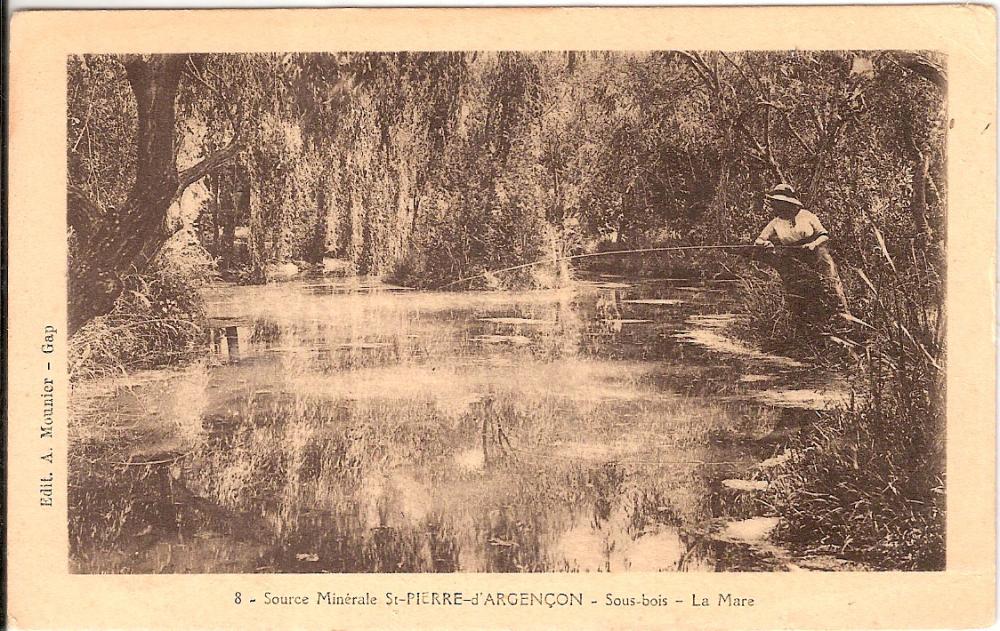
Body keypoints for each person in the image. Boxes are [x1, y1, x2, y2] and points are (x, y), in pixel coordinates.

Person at [753, 184, 850, 321]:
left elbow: (824, 235)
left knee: (830, 287)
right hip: (794, 258)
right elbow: (759, 240)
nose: (776, 206)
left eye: (779, 203)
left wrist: (813, 244)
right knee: (799, 292)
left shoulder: (806, 216)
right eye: (775, 203)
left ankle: (842, 321)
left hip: (817, 255)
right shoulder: (776, 222)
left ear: (788, 203)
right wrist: (766, 243)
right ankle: (807, 325)